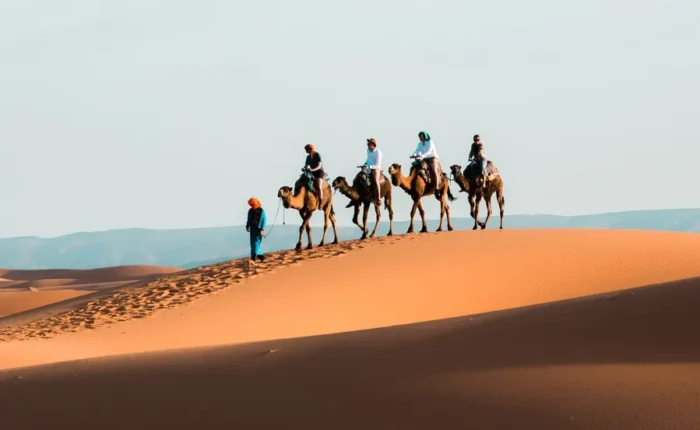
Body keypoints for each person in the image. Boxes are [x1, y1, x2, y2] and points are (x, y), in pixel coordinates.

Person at [302, 143, 325, 209]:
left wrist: (312, 169)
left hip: (319, 172)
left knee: (318, 186)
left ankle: (320, 203)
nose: (306, 151)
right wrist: (304, 168)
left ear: (310, 149)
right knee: (303, 182)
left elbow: (319, 165)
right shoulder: (308, 157)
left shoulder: (317, 155)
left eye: (307, 150)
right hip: (311, 172)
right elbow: (305, 165)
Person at [246, 197, 267, 261]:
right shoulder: (250, 210)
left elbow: (263, 220)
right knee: (253, 243)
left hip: (258, 229)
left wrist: (262, 229)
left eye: (252, 204)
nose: (251, 206)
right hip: (252, 229)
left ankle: (255, 256)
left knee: (256, 242)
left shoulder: (261, 210)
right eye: (250, 204)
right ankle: (259, 255)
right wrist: (247, 225)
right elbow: (249, 219)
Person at [364, 138, 382, 205]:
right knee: (360, 176)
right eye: (368, 144)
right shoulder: (368, 151)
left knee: (375, 180)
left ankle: (378, 198)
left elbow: (377, 164)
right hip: (368, 168)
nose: (368, 146)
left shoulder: (378, 152)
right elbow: (368, 159)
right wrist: (365, 164)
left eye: (369, 144)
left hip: (376, 168)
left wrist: (369, 167)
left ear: (373, 145)